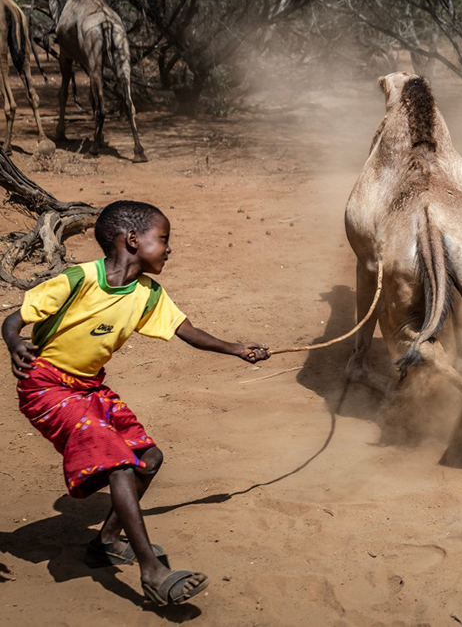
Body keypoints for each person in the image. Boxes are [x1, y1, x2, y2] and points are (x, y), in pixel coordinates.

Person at [3, 200, 270, 606]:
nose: (168, 248)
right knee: (118, 463)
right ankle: (152, 571)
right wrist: (13, 341)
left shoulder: (148, 294)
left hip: (90, 388)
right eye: (163, 239)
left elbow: (189, 332)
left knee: (149, 458)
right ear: (132, 239)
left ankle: (106, 542)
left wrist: (238, 349)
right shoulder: (80, 279)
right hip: (47, 388)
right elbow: (15, 317)